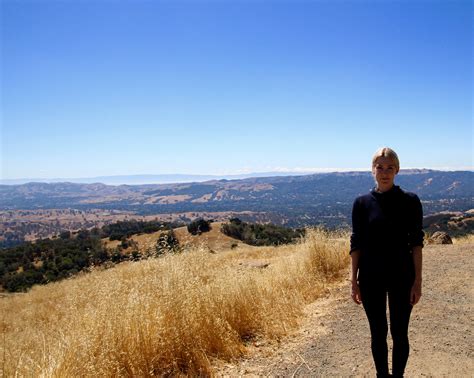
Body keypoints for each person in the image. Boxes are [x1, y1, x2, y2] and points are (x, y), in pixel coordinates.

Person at [350, 147, 423, 377]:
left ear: (397, 170)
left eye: (390, 167)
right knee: (378, 333)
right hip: (371, 277)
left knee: (400, 333)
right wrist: (353, 280)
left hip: (402, 276)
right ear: (372, 170)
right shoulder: (361, 203)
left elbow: (417, 244)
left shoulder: (410, 201)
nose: (384, 172)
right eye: (380, 167)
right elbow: (356, 244)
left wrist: (418, 281)